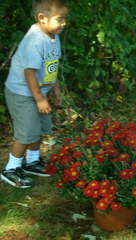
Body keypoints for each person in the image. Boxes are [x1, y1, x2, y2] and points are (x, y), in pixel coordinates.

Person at [1, 0, 68, 188]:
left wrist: (55, 90)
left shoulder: (53, 35)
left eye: (65, 19)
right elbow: (29, 72)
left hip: (39, 93)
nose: (64, 23)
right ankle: (11, 169)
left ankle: (32, 162)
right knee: (26, 133)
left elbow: (51, 66)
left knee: (38, 128)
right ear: (42, 18)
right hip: (22, 94)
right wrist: (39, 99)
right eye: (60, 19)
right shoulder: (36, 40)